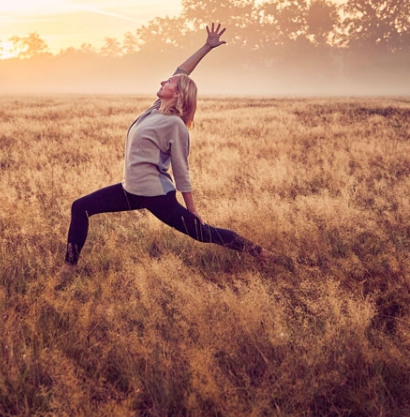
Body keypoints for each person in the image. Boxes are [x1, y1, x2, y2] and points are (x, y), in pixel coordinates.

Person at [60, 23, 265, 272]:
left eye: (168, 82)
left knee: (202, 233)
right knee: (80, 207)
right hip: (130, 189)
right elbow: (182, 71)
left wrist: (192, 210)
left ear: (177, 94)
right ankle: (68, 268)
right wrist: (207, 47)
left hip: (155, 194)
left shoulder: (175, 125)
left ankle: (261, 253)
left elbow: (181, 170)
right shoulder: (155, 110)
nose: (163, 81)